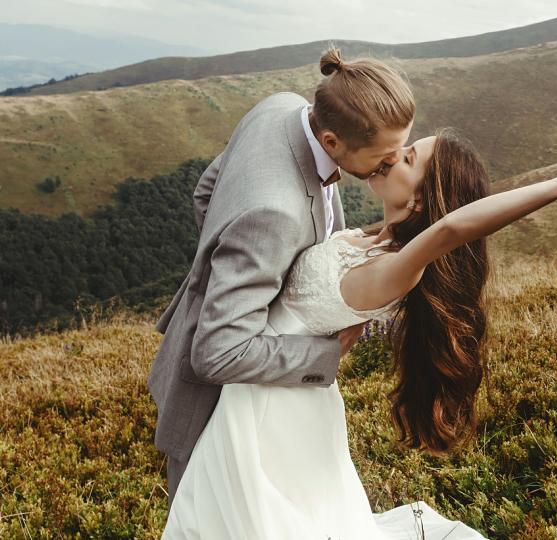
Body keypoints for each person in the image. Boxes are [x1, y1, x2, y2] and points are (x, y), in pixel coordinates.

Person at [160, 126, 557, 538]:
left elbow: (452, 230)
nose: (392, 156)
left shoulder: (398, 269)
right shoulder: (366, 239)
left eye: (408, 158)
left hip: (273, 408)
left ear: (424, 197)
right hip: (270, 390)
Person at [147, 48, 415, 507]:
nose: (390, 166)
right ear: (332, 143)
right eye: (383, 157)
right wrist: (323, 352)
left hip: (268, 402)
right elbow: (217, 353)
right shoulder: (274, 214)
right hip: (220, 409)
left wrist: (234, 265)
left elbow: (206, 191)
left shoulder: (281, 107)